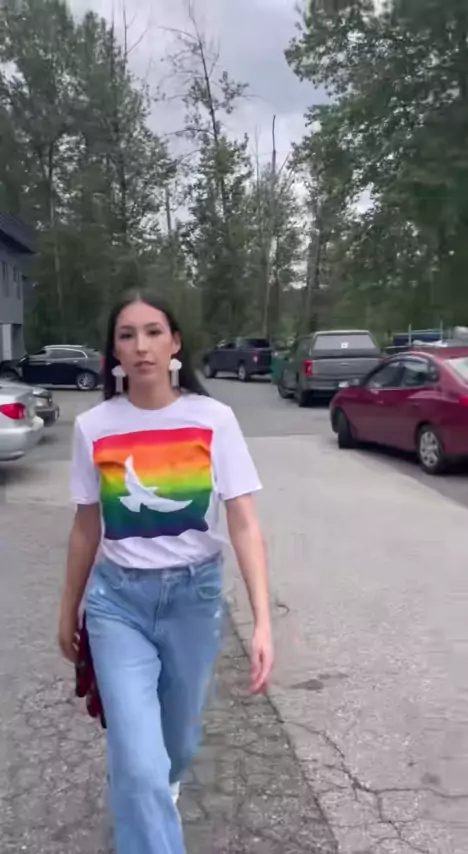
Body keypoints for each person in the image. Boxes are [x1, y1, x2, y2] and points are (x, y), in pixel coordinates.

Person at [58, 289, 273, 854]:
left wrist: (262, 622)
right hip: (117, 605)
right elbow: (86, 526)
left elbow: (244, 522)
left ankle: (155, 789)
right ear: (114, 352)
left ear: (175, 343)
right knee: (137, 761)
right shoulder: (94, 426)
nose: (141, 346)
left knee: (174, 748)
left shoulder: (213, 419)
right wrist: (67, 608)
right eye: (126, 335)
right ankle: (147, 809)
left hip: (193, 601)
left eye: (153, 332)